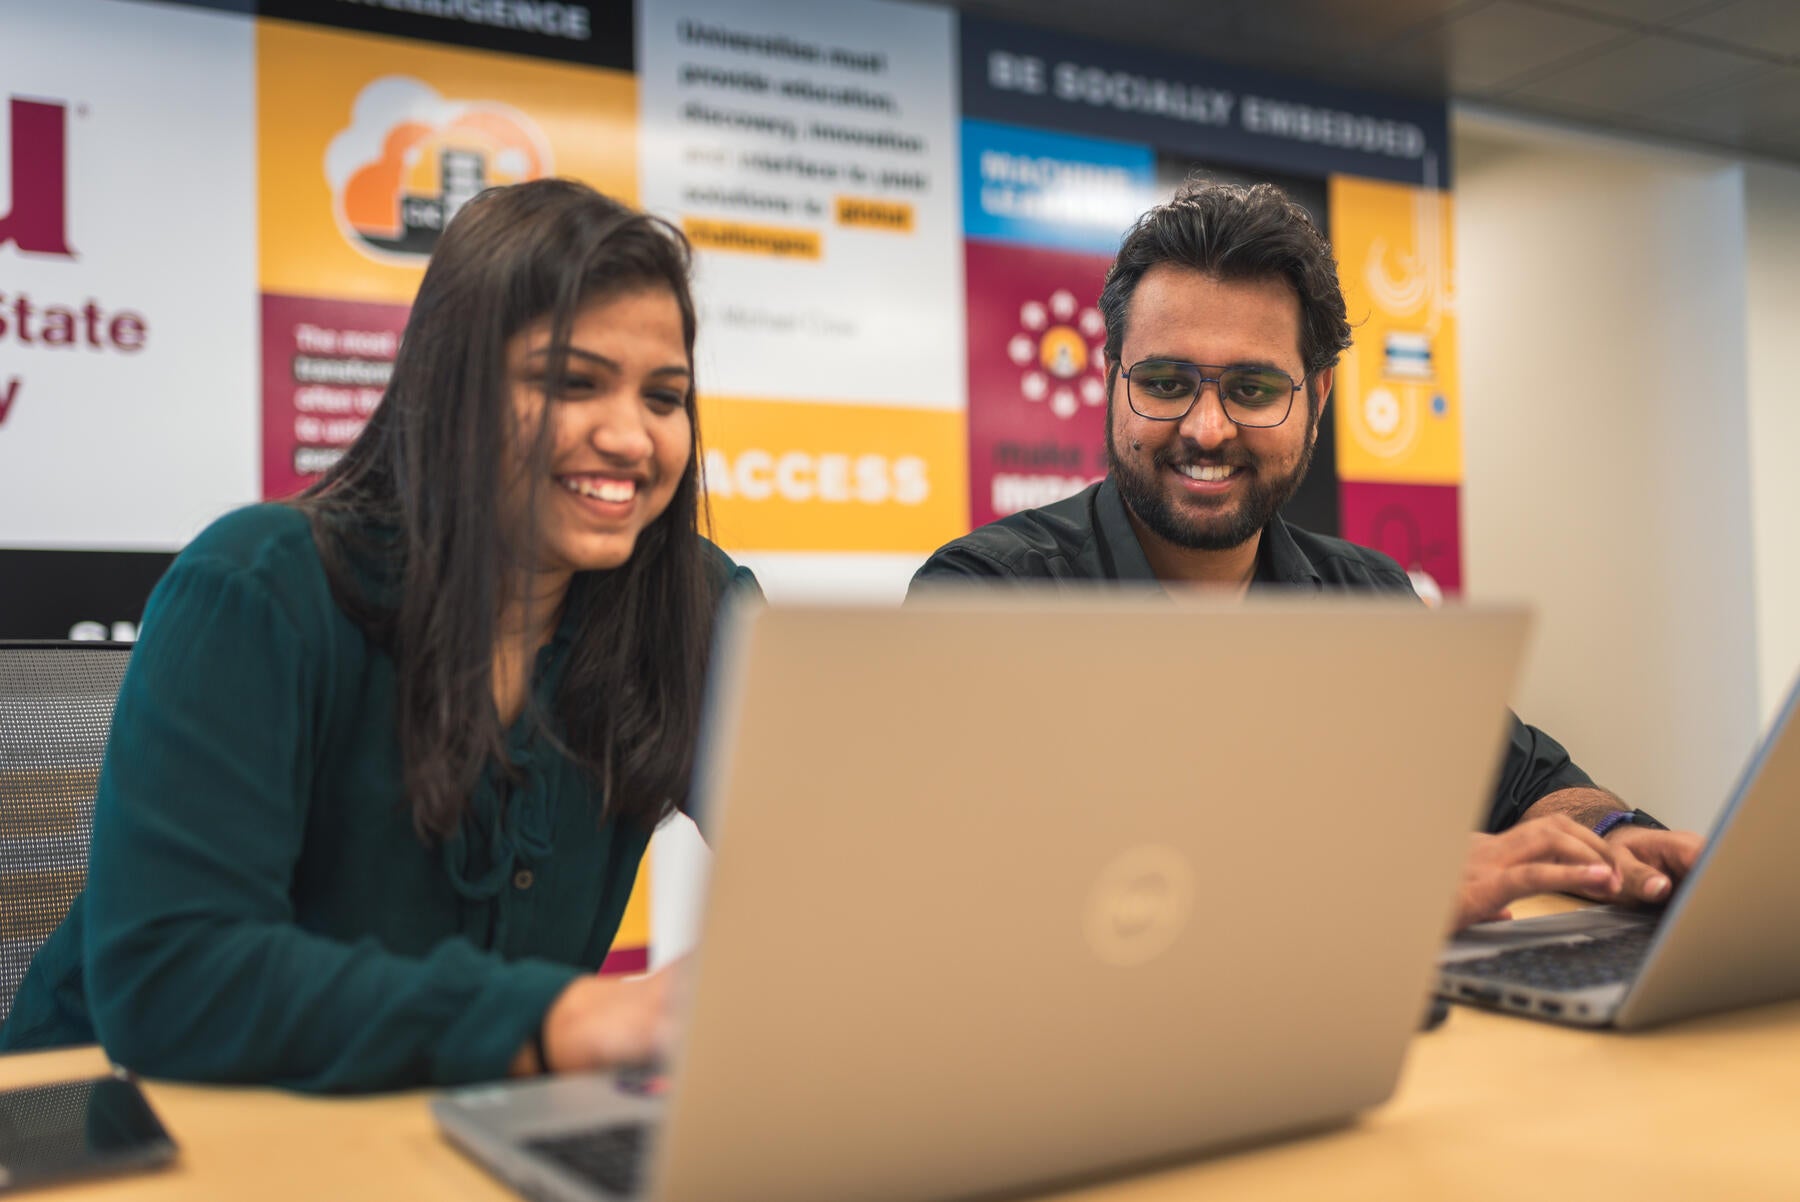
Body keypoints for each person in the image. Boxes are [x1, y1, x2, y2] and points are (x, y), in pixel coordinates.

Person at [0, 179, 757, 1090]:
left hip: (435, 1122)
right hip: (117, 1122)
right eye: (572, 383)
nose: (633, 437)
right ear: (454, 389)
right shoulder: (258, 585)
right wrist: (563, 1019)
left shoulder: (692, 605)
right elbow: (174, 985)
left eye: (665, 397)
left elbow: (844, 863)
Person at [911, 180, 1701, 930]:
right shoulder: (989, 594)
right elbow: (972, 882)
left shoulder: (1369, 598)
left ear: (1316, 401)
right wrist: (1382, 892)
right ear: (1113, 382)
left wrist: (1616, 835)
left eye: (1253, 389)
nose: (1207, 428)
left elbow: (1523, 783)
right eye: (1164, 381)